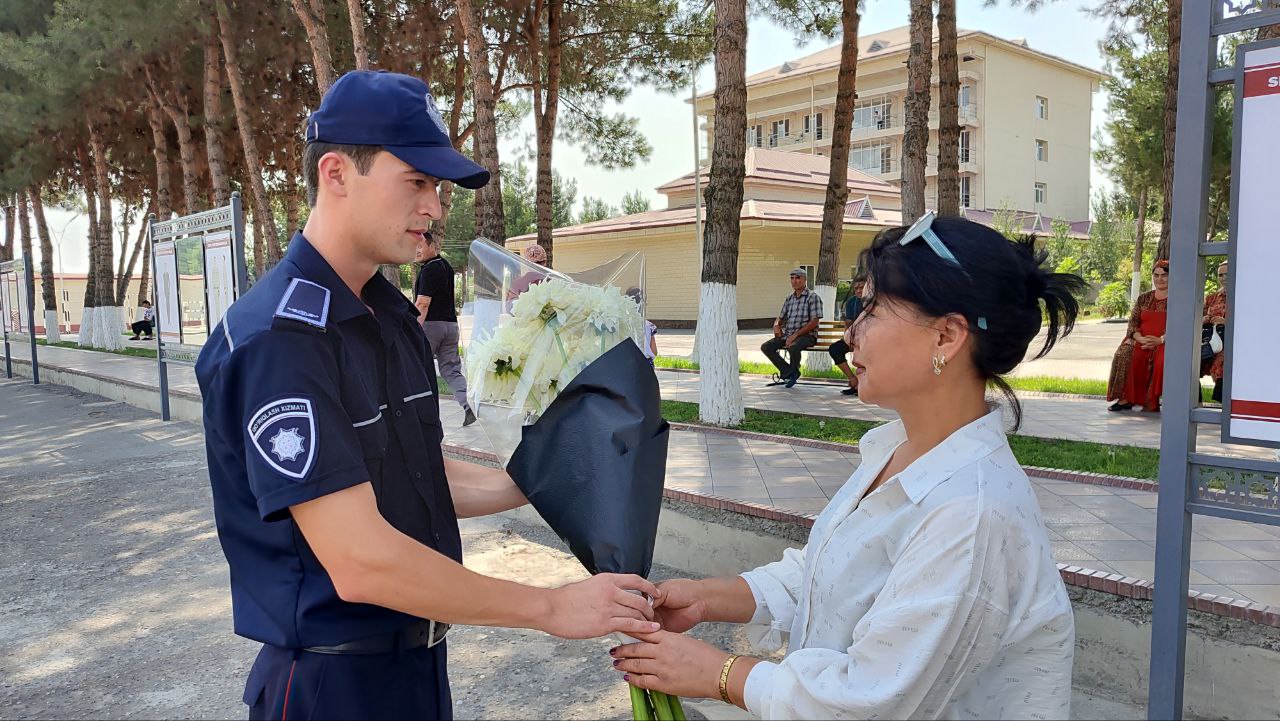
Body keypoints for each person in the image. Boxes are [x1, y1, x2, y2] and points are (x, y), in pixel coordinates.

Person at [194, 70, 660, 721]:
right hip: (333, 687)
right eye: (416, 182)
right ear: (335, 173)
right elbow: (361, 560)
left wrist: (555, 473)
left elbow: (414, 473)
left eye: (438, 188)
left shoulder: (389, 319)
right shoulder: (281, 339)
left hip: (417, 668)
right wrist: (550, 606)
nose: (436, 208)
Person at [611, 214, 1085, 720]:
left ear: (946, 336)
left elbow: (871, 700)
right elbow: (831, 576)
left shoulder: (971, 515)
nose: (852, 333)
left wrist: (719, 673)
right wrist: (704, 598)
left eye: (872, 309)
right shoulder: (899, 450)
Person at [414, 230, 475, 427]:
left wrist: (413, 328)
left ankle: (426, 418)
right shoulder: (446, 266)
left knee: (419, 370)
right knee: (451, 370)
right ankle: (469, 405)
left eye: (420, 246)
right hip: (451, 326)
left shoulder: (429, 269)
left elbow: (423, 303)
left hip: (431, 326)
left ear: (433, 246)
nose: (416, 251)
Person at [1106, 260, 1170, 412]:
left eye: (1164, 275)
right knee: (1124, 353)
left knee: (1162, 360)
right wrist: (1139, 337)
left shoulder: (1178, 300)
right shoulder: (1143, 298)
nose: (1159, 279)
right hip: (1141, 338)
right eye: (1156, 275)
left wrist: (1160, 340)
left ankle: (1154, 401)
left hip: (1166, 341)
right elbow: (1133, 322)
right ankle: (1125, 399)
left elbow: (1181, 325)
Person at [761, 268, 822, 388]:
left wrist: (795, 335)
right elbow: (780, 317)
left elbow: (815, 322)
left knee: (793, 347)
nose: (794, 281)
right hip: (789, 335)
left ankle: (793, 372)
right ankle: (790, 372)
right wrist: (776, 325)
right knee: (766, 347)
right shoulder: (789, 298)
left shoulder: (812, 297)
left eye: (798, 278)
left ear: (804, 280)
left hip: (807, 336)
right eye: (792, 278)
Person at [828, 282, 864, 396]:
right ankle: (853, 380)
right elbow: (848, 323)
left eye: (861, 287)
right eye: (856, 288)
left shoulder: (875, 301)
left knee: (865, 353)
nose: (858, 291)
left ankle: (863, 386)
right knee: (835, 349)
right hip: (854, 338)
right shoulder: (852, 301)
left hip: (870, 340)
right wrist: (848, 339)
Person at [1202, 261, 1228, 403]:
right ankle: (1194, 400)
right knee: (1194, 359)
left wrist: (1225, 322)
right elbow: (1198, 318)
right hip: (1210, 339)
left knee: (1223, 360)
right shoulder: (1211, 298)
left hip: (1230, 340)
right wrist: (1205, 319)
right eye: (1220, 275)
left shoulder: (1242, 297)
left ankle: (1222, 400)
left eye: (1227, 274)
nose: (1223, 278)